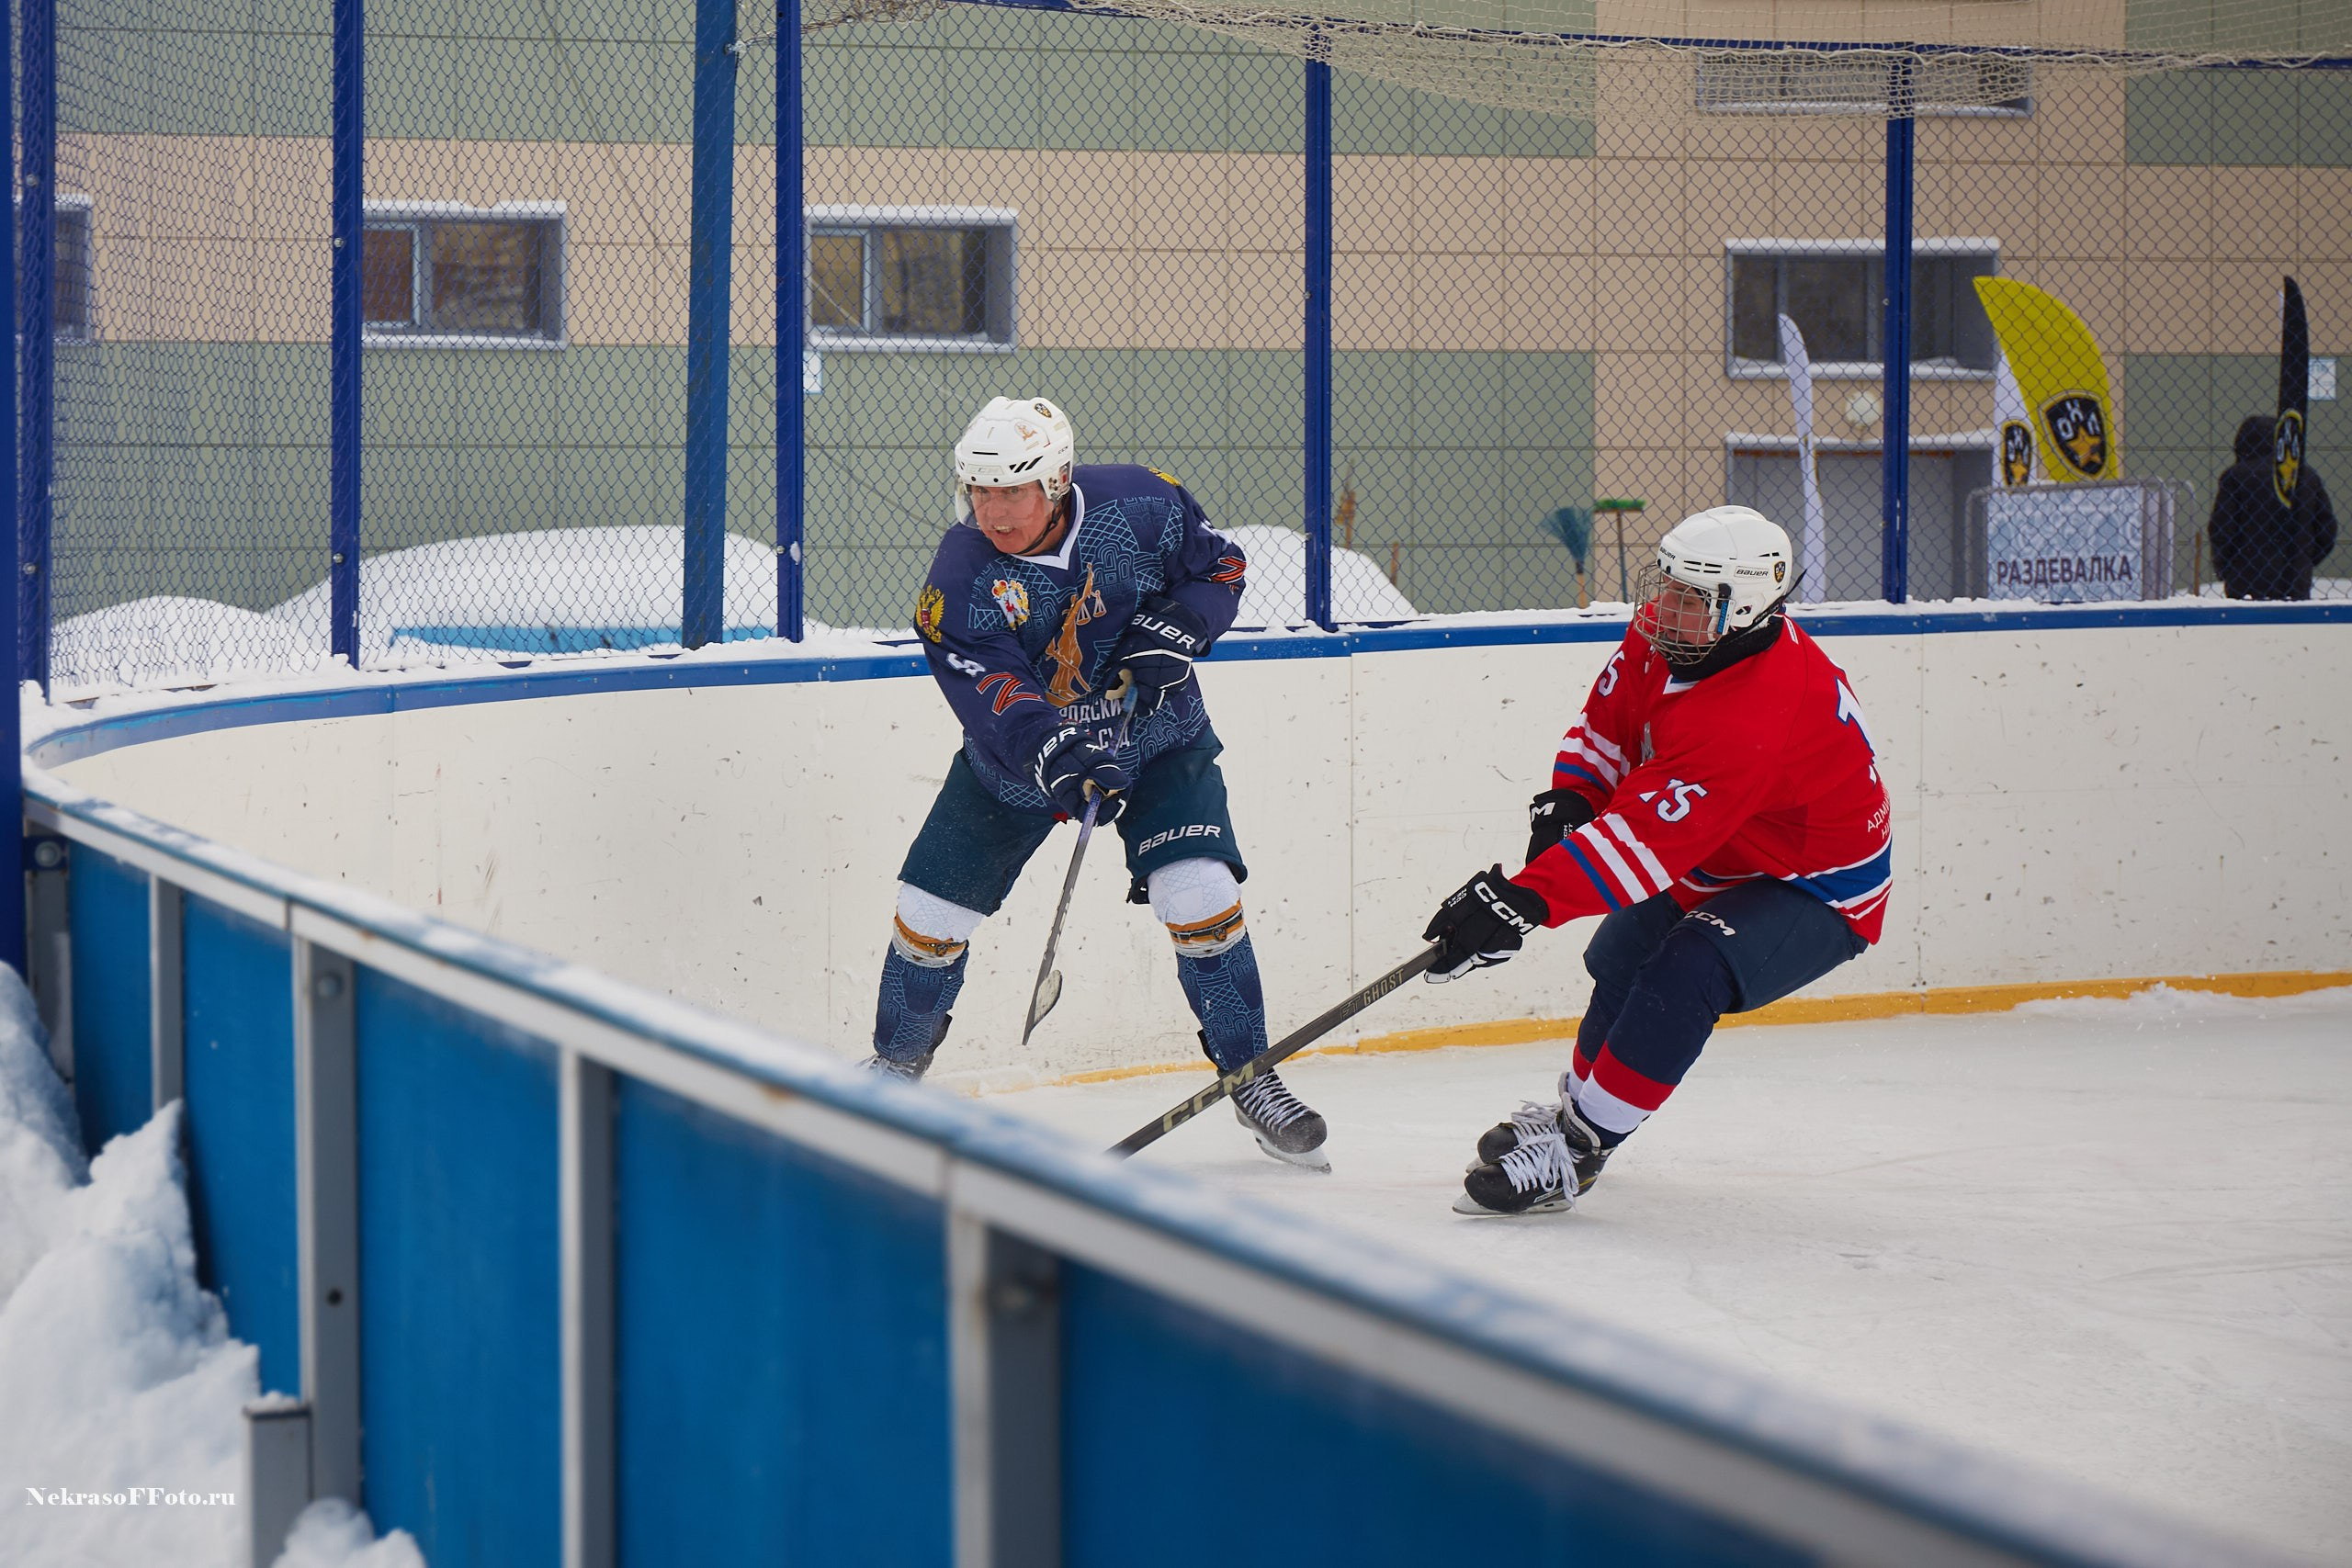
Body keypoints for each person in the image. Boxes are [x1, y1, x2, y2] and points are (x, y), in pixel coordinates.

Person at [865, 396, 1329, 1168]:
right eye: (978, 490)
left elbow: (1222, 566)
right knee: (927, 914)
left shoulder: (1144, 504)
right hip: (1023, 763)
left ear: (1057, 480)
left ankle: (1251, 1075)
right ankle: (891, 1074)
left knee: (1200, 893)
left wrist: (1183, 625)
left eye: (1011, 491)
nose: (993, 510)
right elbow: (998, 697)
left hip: (1157, 736)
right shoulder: (961, 575)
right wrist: (1063, 758)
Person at [1420, 506, 1893, 1215]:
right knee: (1620, 956)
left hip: (1814, 883)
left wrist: (1522, 901)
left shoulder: (1753, 712)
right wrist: (1571, 802)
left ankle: (1580, 1149)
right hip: (1726, 850)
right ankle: (1574, 1110)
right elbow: (1606, 725)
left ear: (1747, 607)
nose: (1664, 608)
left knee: (1685, 969)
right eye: (1666, 586)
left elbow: (1640, 845)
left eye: (1691, 598)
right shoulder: (1674, 640)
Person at [2211, 413, 2337, 601]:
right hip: (2294, 579)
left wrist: (2227, 568)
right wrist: (2304, 560)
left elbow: (2222, 528)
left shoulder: (2236, 476)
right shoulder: (2305, 476)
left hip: (2245, 577)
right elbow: (2326, 529)